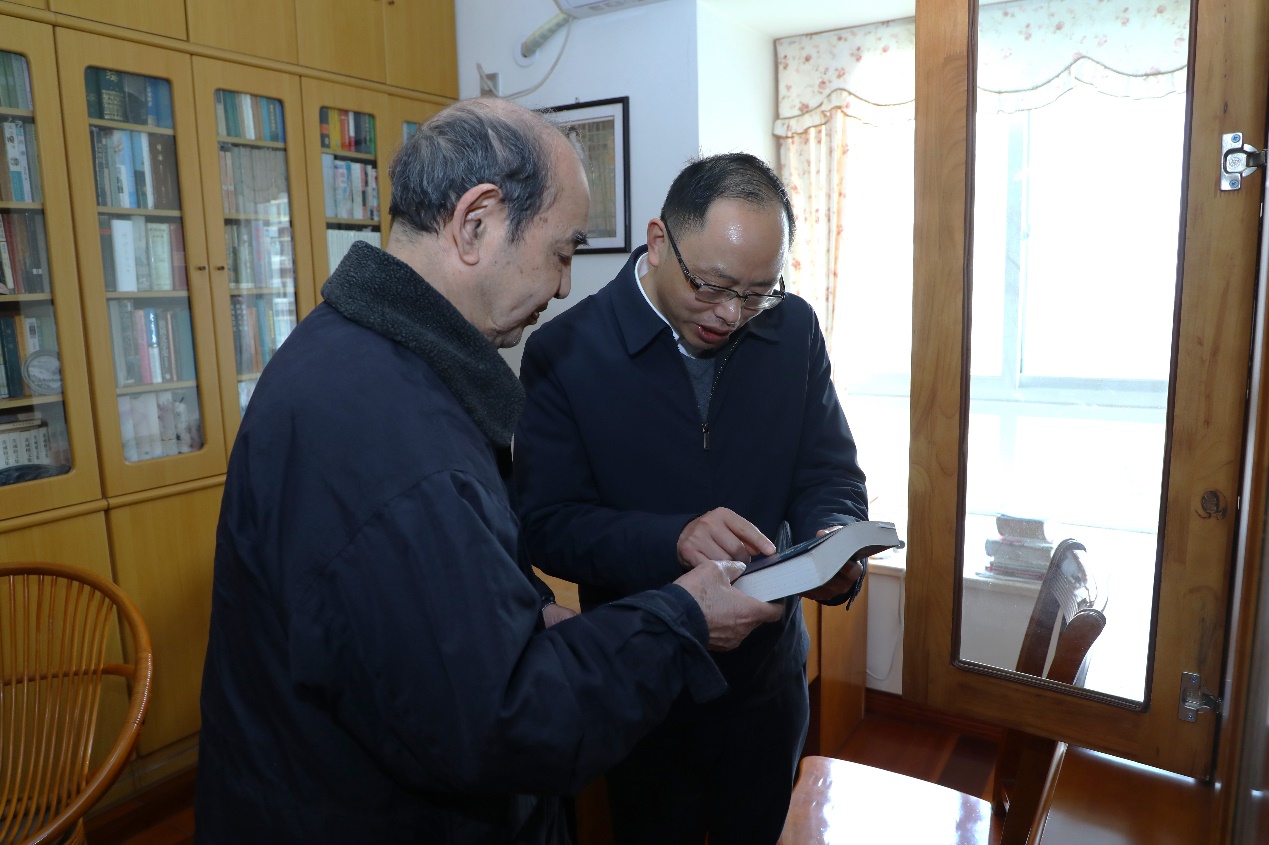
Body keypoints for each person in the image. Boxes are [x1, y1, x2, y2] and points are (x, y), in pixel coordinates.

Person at [195, 100, 784, 845]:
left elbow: (425, 608)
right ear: (476, 224)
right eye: (563, 252)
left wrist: (525, 609)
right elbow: (506, 720)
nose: (564, 286)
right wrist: (683, 618)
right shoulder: (394, 432)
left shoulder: (355, 355)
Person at [514, 152, 870, 845]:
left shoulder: (791, 330)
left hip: (766, 681)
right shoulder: (566, 352)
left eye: (757, 292)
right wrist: (671, 538)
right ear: (658, 242)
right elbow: (547, 525)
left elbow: (828, 471)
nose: (731, 314)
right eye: (712, 286)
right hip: (648, 680)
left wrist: (833, 534)